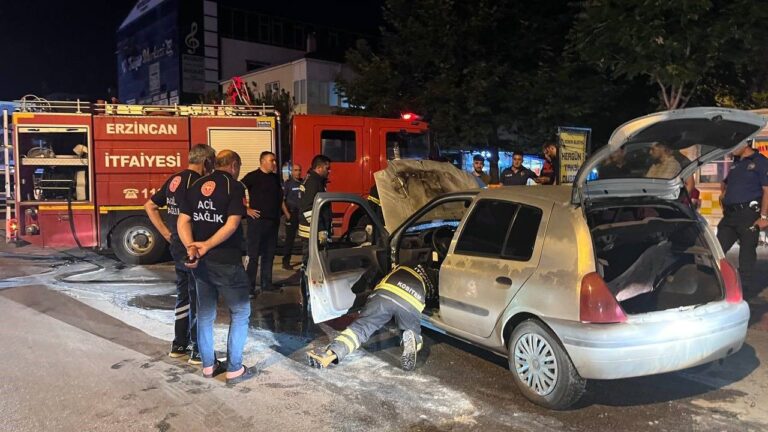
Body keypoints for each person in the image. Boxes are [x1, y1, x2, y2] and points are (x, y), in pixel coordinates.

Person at [177, 150, 257, 385]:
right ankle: (234, 369)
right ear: (233, 165)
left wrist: (192, 247)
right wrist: (207, 245)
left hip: (201, 265)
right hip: (227, 262)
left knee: (204, 315)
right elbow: (232, 224)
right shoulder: (235, 187)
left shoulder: (196, 184)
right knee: (240, 313)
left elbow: (182, 221)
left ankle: (208, 366)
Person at [144, 144, 215, 364]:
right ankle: (196, 348)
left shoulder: (174, 180)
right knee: (198, 296)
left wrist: (166, 232)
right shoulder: (198, 183)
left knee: (184, 293)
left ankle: (179, 344)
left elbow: (150, 206)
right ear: (206, 162)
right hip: (191, 247)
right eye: (211, 163)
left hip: (176, 246)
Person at [306, 264, 433, 371]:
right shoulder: (432, 276)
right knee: (412, 330)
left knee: (359, 329)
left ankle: (330, 354)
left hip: (385, 293)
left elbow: (370, 280)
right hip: (411, 301)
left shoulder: (400, 266)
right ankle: (411, 339)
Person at [718, 142, 768, 295]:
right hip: (730, 215)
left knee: (746, 253)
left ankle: (743, 291)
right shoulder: (736, 163)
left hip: (749, 214)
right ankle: (713, 282)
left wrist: (764, 217)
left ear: (745, 143)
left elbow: (767, 190)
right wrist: (724, 194)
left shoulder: (760, 162)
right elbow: (725, 182)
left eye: (733, 146)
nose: (730, 150)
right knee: (717, 248)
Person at [241, 151, 291, 295]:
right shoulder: (253, 176)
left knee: (269, 255)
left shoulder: (275, 179)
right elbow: (237, 191)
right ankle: (249, 287)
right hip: (257, 223)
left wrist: (286, 213)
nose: (274, 163)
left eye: (275, 161)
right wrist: (246, 209)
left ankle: (266, 283)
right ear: (262, 161)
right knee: (253, 255)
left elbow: (279, 198)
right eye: (271, 160)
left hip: (272, 222)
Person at [298, 155, 332, 306]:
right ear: (319, 168)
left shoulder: (313, 179)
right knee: (311, 263)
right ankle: (308, 295)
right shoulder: (313, 182)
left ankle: (309, 293)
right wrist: (319, 229)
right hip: (312, 232)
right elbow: (306, 207)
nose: (329, 171)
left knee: (310, 263)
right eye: (327, 168)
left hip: (311, 230)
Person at [281, 163, 303, 270]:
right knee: (290, 239)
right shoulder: (288, 184)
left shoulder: (303, 183)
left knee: (304, 238)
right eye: (295, 170)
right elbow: (282, 200)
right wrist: (287, 214)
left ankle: (305, 261)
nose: (298, 172)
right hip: (292, 213)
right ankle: (286, 262)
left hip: (301, 214)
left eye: (299, 170)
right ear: (292, 172)